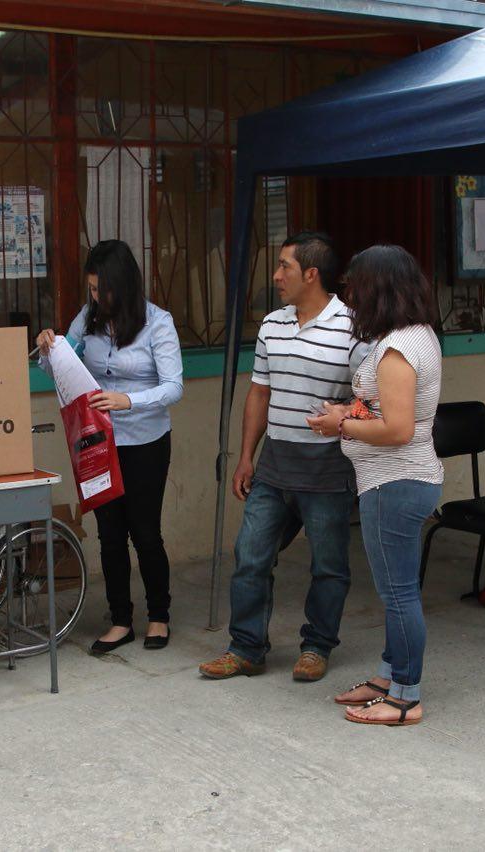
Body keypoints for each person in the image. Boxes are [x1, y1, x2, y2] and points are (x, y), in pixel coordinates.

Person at [199, 231, 370, 683]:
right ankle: (246, 647)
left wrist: (345, 413)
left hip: (328, 465)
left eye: (284, 267)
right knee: (250, 555)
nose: (276, 276)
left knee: (328, 564)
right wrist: (245, 457)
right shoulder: (272, 325)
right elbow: (259, 393)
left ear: (311, 274)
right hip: (275, 463)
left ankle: (317, 646)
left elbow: (371, 400)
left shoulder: (353, 328)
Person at [306, 245, 442, 726]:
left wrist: (340, 427)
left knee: (398, 593)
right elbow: (381, 411)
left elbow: (398, 429)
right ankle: (389, 675)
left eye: (355, 286)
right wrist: (349, 412)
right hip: (397, 479)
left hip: (394, 482)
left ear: (376, 289)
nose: (349, 296)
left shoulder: (396, 351)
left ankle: (405, 696)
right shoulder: (412, 335)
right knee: (395, 591)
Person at [36, 240, 183, 653]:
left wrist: (127, 400)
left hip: (145, 441)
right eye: (92, 290)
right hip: (98, 441)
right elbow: (63, 366)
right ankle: (121, 619)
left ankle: (159, 616)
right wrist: (49, 348)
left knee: (146, 533)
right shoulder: (89, 318)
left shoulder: (158, 322)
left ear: (125, 284)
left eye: (103, 290)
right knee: (109, 534)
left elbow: (174, 387)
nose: (97, 297)